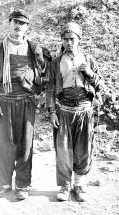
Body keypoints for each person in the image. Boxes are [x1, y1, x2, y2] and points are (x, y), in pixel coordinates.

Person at [0, 9, 45, 200]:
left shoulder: (32, 47)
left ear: (27, 27)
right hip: (5, 102)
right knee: (5, 144)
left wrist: (40, 91)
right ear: (9, 23)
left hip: (27, 103)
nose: (18, 26)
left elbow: (45, 70)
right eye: (15, 22)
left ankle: (22, 185)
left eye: (22, 23)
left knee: (25, 145)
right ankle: (4, 183)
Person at [46, 22, 101, 202]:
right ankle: (64, 186)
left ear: (79, 40)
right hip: (64, 111)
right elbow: (50, 88)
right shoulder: (55, 63)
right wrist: (52, 112)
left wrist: (90, 73)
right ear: (62, 41)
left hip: (84, 111)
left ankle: (79, 185)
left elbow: (100, 85)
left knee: (83, 149)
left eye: (72, 39)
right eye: (66, 39)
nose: (69, 42)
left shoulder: (89, 59)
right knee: (63, 150)